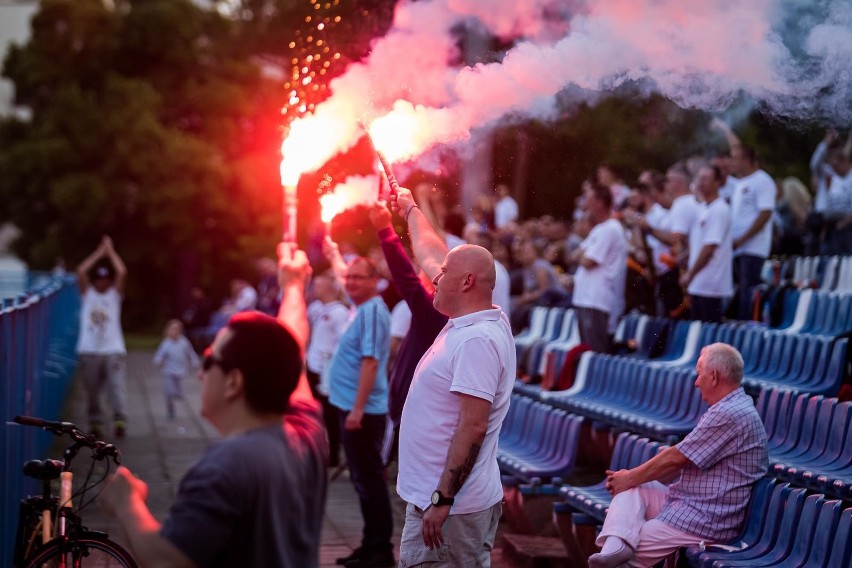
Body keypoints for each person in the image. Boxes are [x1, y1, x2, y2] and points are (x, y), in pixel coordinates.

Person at [100, 244, 328, 568]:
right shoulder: (307, 434)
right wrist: (293, 286)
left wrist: (127, 504)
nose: (200, 371)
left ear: (234, 382)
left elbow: (169, 560)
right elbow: (291, 345)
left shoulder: (224, 466)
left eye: (209, 360)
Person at [587, 343, 768, 568]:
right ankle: (616, 548)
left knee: (624, 557)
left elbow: (676, 457)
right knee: (632, 489)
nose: (696, 381)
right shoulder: (733, 407)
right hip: (691, 505)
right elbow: (683, 456)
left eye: (699, 374)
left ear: (713, 376)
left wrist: (630, 476)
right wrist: (630, 479)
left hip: (705, 519)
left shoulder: (730, 413)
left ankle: (616, 554)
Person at [393, 242, 515, 567]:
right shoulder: (470, 321)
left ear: (466, 283)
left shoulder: (477, 340)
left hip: (451, 509)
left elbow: (473, 426)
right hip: (441, 503)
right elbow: (431, 253)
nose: (435, 277)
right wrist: (409, 211)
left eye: (444, 272)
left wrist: (442, 498)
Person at [326, 254, 395, 568]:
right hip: (354, 408)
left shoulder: (371, 312)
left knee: (369, 482)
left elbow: (371, 362)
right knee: (362, 481)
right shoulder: (362, 307)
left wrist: (356, 410)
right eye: (348, 277)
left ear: (374, 280)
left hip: (363, 413)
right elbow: (343, 270)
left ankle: (380, 551)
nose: (350, 281)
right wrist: (332, 252)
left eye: (359, 277)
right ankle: (369, 545)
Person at [76, 235, 129, 438]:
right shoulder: (88, 294)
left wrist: (111, 252)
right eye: (99, 279)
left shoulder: (114, 296)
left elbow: (122, 272)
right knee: (91, 390)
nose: (103, 283)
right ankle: (95, 421)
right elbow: (81, 271)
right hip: (89, 349)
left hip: (112, 349)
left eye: (106, 279)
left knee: (116, 386)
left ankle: (119, 418)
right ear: (95, 280)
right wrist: (100, 253)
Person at [570, 183, 628, 353]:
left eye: (588, 198)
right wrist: (582, 255)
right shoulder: (600, 229)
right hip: (586, 299)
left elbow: (588, 261)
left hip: (596, 300)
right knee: (586, 351)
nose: (584, 203)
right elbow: (574, 255)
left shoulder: (610, 229)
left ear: (600, 203)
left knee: (595, 353)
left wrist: (583, 255)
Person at [306, 270, 351, 468]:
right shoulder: (318, 308)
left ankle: (333, 455)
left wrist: (331, 368)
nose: (315, 287)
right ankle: (319, 449)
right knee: (317, 413)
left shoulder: (339, 312)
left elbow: (341, 343)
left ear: (331, 286)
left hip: (327, 370)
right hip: (313, 366)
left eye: (319, 283)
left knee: (330, 415)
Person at [680, 166, 733, 323]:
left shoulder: (720, 209)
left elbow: (710, 247)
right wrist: (686, 255)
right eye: (699, 178)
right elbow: (700, 243)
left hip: (711, 285)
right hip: (699, 284)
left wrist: (690, 273)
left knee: (708, 335)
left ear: (717, 182)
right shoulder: (703, 208)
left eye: (706, 178)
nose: (701, 182)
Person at [729, 144, 775, 320]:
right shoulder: (741, 183)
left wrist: (742, 238)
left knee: (748, 288)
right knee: (742, 288)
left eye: (735, 158)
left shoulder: (762, 180)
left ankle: (748, 322)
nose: (731, 162)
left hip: (753, 247)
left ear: (747, 160)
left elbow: (765, 213)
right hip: (739, 247)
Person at [153, 319, 200, 419]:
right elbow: (159, 354)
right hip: (168, 371)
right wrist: (158, 361)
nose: (174, 332)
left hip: (180, 371)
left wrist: (195, 363)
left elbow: (190, 353)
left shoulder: (184, 342)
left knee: (179, 393)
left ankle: (177, 394)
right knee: (169, 392)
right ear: (168, 331)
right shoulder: (166, 343)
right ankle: (170, 410)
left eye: (176, 330)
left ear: (180, 331)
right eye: (172, 330)